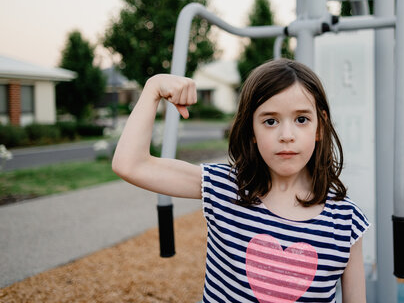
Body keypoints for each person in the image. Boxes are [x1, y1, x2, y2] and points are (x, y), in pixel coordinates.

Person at [112, 58, 370, 303]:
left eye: (301, 119)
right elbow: (130, 164)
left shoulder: (346, 221)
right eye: (270, 121)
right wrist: (153, 88)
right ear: (252, 132)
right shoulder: (225, 189)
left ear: (320, 126)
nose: (286, 135)